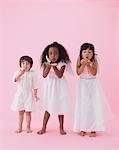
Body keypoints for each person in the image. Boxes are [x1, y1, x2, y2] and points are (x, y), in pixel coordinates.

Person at [73, 43, 112, 137]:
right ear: (81, 53)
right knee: (82, 106)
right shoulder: (79, 59)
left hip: (92, 85)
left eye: (90, 52)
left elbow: (94, 73)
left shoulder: (94, 61)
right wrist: (82, 65)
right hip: (82, 85)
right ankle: (82, 128)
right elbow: (78, 73)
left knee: (93, 106)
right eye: (85, 52)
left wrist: (89, 65)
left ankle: (93, 128)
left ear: (93, 53)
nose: (87, 54)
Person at [37, 42, 71, 135]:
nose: (53, 56)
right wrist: (48, 67)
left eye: (56, 53)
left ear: (60, 54)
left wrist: (54, 67)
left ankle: (61, 128)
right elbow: (44, 75)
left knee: (60, 107)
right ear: (47, 55)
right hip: (50, 87)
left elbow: (59, 75)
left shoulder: (62, 64)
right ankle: (43, 127)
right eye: (51, 53)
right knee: (48, 107)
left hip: (59, 87)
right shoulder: (46, 64)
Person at [11, 56, 39, 133]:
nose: (25, 65)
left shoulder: (32, 74)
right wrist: (21, 73)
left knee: (28, 112)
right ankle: (19, 127)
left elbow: (35, 85)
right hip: (20, 95)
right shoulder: (18, 72)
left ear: (30, 65)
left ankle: (28, 126)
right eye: (23, 63)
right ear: (20, 64)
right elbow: (15, 79)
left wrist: (35, 95)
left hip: (29, 95)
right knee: (20, 112)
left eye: (27, 64)